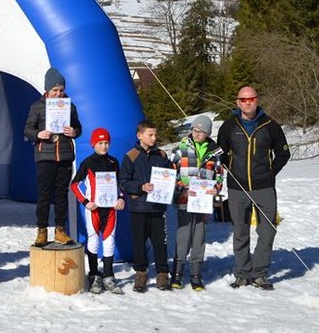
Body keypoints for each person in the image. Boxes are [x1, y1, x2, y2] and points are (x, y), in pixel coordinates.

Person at [217, 86, 290, 290]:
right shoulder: (229, 126)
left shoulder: (270, 125)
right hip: (237, 188)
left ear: (257, 100)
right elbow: (221, 153)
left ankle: (259, 274)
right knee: (240, 232)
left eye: (251, 99)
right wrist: (230, 170)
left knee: (267, 231)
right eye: (243, 99)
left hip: (264, 188)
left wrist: (270, 173)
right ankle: (242, 274)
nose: (248, 102)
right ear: (237, 102)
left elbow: (283, 153)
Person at [24, 67, 82, 246]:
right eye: (55, 90)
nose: (58, 93)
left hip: (64, 155)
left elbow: (78, 128)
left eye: (61, 90)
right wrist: (38, 134)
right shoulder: (37, 106)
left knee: (61, 194)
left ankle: (60, 230)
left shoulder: (70, 107)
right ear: (47, 90)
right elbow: (28, 129)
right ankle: (42, 230)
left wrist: (74, 132)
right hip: (45, 155)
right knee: (44, 194)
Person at [168, 115, 223, 291]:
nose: (197, 133)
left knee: (199, 237)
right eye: (194, 130)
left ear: (207, 133)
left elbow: (219, 175)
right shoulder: (179, 150)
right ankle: (177, 274)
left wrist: (216, 189)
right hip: (185, 199)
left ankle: (196, 275)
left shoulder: (215, 153)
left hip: (203, 201)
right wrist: (181, 189)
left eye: (201, 131)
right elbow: (171, 175)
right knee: (183, 236)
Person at [119, 120, 174, 292]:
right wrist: (141, 187)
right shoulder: (131, 156)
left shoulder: (162, 155)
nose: (154, 138)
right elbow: (123, 181)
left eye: (155, 135)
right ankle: (141, 273)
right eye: (150, 135)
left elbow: (171, 175)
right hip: (139, 207)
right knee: (139, 242)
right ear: (140, 136)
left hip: (157, 207)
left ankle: (162, 273)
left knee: (160, 242)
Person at [70, 127, 125, 294]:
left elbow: (120, 184)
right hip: (94, 210)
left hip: (111, 210)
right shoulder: (88, 162)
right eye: (100, 143)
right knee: (93, 241)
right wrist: (86, 202)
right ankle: (94, 275)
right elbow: (74, 185)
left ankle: (108, 276)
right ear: (93, 144)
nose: (103, 146)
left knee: (109, 242)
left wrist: (121, 197)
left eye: (106, 143)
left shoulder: (114, 162)